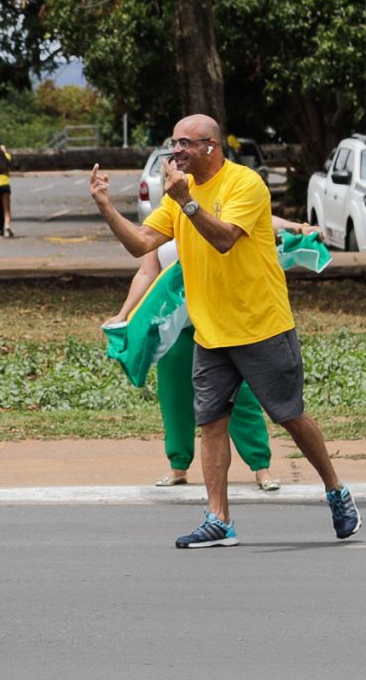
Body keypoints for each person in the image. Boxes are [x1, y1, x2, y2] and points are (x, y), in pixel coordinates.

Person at [89, 113, 360, 548]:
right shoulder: (181, 194)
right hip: (210, 332)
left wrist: (187, 202)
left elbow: (224, 239)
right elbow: (141, 243)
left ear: (210, 146)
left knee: (289, 415)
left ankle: (335, 488)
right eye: (173, 143)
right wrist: (105, 206)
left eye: (185, 144)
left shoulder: (245, 184)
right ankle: (219, 519)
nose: (175, 151)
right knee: (211, 423)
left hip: (260, 325)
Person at [106, 240, 280, 490]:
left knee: (241, 395)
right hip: (175, 325)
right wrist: (123, 314)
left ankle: (261, 466)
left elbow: (259, 218)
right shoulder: (162, 220)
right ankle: (178, 466)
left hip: (218, 321)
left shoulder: (215, 210)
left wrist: (296, 227)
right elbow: (147, 272)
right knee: (175, 394)